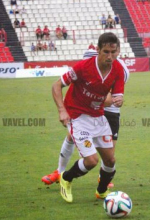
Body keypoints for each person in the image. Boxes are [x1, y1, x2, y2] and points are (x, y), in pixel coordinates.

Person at [51, 33, 126, 203]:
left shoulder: (118, 69)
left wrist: (119, 100)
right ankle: (66, 178)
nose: (110, 56)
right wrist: (62, 111)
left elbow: (117, 96)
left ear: (118, 51)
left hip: (98, 116)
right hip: (77, 116)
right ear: (98, 50)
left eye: (113, 52)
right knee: (92, 160)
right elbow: (56, 85)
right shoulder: (83, 67)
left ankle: (101, 191)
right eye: (106, 52)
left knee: (110, 160)